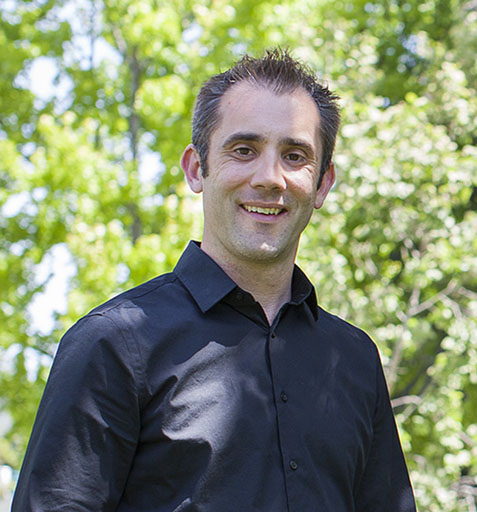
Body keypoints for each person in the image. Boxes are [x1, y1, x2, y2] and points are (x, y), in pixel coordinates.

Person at [12, 49, 416, 511]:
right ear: (196, 168)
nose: (270, 178)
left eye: (294, 156)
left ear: (322, 184)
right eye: (244, 150)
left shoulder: (355, 359)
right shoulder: (115, 345)